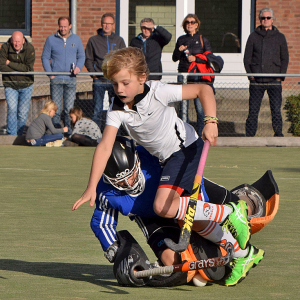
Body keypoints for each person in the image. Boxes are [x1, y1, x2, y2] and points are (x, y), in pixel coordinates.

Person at [72, 136, 267, 286]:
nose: (128, 183)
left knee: (230, 213)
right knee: (173, 265)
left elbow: (186, 171)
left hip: (179, 194)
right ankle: (207, 242)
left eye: (131, 175)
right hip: (151, 219)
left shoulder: (151, 155)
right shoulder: (104, 191)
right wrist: (113, 249)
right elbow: (102, 223)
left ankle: (241, 203)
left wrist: (201, 205)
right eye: (120, 181)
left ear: (136, 159)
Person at [244, 8, 289, 137]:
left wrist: (281, 76)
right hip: (256, 80)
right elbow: (247, 58)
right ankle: (250, 136)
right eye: (263, 18)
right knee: (253, 110)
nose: (265, 20)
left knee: (276, 110)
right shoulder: (253, 36)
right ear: (260, 20)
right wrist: (250, 75)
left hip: (274, 80)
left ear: (272, 20)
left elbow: (285, 58)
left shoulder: (280, 37)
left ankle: (278, 134)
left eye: (268, 18)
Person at [42, 16, 85, 136]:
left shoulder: (76, 39)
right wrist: (51, 74)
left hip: (71, 80)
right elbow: (45, 57)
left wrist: (77, 68)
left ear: (70, 26)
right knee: (55, 110)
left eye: (65, 26)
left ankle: (69, 134)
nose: (63, 29)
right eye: (61, 26)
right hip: (56, 80)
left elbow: (81, 56)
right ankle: (55, 133)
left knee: (68, 110)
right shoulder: (51, 39)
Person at [172, 14, 213, 136]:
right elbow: (174, 58)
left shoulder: (202, 39)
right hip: (184, 75)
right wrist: (178, 51)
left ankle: (201, 134)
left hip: (198, 76)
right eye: (187, 22)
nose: (189, 24)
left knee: (200, 108)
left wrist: (195, 58)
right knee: (183, 109)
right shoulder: (181, 39)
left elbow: (209, 57)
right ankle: (185, 135)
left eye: (192, 22)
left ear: (196, 24)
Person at [85, 13, 126, 130]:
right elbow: (88, 58)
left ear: (113, 25)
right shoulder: (93, 40)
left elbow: (124, 58)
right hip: (99, 80)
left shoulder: (119, 40)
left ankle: (116, 134)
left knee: (116, 109)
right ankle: (96, 134)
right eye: (105, 23)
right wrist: (93, 73)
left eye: (109, 24)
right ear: (101, 24)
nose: (107, 26)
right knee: (97, 109)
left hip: (115, 81)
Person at [0, 31, 35, 136]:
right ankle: (11, 135)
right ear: (11, 40)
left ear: (23, 40)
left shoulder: (30, 48)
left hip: (26, 85)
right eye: (14, 41)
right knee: (12, 110)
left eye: (19, 41)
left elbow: (28, 68)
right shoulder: (5, 47)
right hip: (10, 84)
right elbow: (1, 66)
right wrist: (19, 68)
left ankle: (19, 136)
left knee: (23, 114)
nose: (16, 44)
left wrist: (9, 63)